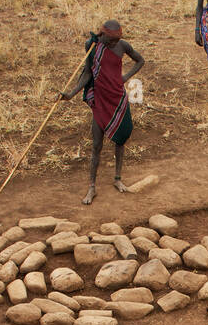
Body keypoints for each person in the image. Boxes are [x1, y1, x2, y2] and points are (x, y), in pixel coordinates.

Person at [59, 20, 144, 204]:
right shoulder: (92, 47)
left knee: (121, 138)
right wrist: (71, 93)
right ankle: (92, 187)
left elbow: (140, 60)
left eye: (116, 41)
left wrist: (125, 77)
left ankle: (118, 179)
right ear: (103, 35)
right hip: (100, 100)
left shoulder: (123, 46)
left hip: (118, 98)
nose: (114, 44)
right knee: (97, 144)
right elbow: (88, 73)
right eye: (111, 40)